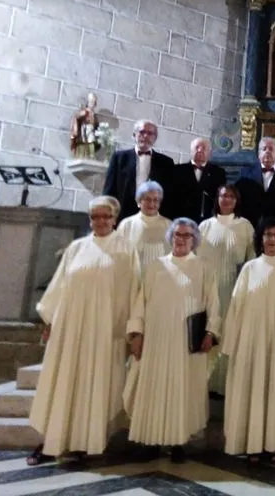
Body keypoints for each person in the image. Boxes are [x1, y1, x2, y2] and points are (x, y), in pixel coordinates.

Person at [27, 196, 140, 465]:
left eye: (105, 216)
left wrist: (133, 331)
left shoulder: (126, 250)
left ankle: (82, 443)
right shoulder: (76, 248)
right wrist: (50, 321)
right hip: (69, 329)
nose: (100, 221)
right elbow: (59, 286)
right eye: (95, 217)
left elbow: (134, 293)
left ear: (114, 219)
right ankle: (50, 443)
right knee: (61, 382)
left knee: (92, 384)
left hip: (103, 331)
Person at [125, 218, 220, 463]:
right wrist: (137, 334)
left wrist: (210, 332)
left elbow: (213, 303)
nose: (181, 239)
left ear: (194, 240)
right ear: (170, 237)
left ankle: (178, 442)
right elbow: (141, 302)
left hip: (186, 343)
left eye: (187, 235)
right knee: (154, 389)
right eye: (177, 234)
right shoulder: (156, 267)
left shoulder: (203, 268)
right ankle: (151, 441)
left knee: (183, 389)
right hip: (156, 339)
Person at [221, 218, 275, 462]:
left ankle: (273, 444)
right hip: (250, 339)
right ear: (260, 239)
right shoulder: (250, 268)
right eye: (268, 235)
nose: (272, 240)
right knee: (251, 389)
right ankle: (252, 443)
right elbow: (236, 305)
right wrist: (231, 342)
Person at [198, 184, 255, 395]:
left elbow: (251, 259)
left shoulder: (245, 226)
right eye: (223, 196)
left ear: (236, 200)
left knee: (229, 332)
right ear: (217, 199)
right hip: (207, 289)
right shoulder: (205, 226)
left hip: (232, 287)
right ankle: (204, 383)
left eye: (231, 196)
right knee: (207, 331)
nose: (226, 199)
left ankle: (224, 385)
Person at [103, 120, 175, 220]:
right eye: (142, 132)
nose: (145, 136)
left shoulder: (166, 162)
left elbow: (169, 195)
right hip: (122, 214)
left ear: (155, 138)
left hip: (153, 216)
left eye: (150, 133)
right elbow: (109, 190)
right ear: (134, 135)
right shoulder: (119, 158)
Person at [116, 181, 171, 274]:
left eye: (156, 200)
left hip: (160, 276)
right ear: (139, 201)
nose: (151, 203)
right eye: (147, 199)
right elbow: (118, 254)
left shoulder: (169, 225)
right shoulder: (126, 224)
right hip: (132, 275)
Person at [236, 137, 275, 227]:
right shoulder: (245, 173)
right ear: (259, 154)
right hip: (250, 224)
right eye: (264, 149)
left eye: (271, 149)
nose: (267, 151)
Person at [169, 138, 227, 224]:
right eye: (197, 147)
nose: (200, 150)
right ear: (191, 150)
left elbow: (219, 199)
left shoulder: (218, 173)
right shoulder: (177, 170)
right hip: (181, 219)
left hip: (207, 221)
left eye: (204, 148)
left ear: (210, 153)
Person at [70, 92, 98, 159]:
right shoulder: (85, 111)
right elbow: (77, 117)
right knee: (84, 143)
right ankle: (82, 156)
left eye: (93, 102)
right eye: (91, 102)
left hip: (91, 130)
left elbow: (95, 123)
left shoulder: (93, 113)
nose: (92, 104)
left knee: (91, 141)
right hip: (85, 130)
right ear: (88, 103)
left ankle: (91, 156)